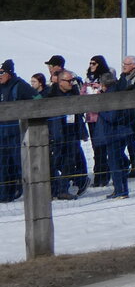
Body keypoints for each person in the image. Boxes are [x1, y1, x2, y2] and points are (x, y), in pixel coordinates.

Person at [46, 70, 89, 199]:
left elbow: (79, 114)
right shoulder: (51, 96)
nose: (72, 83)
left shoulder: (74, 93)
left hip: (72, 133)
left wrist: (82, 132)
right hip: (56, 135)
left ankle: (63, 189)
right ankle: (52, 189)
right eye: (69, 81)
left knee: (69, 162)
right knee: (54, 162)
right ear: (60, 82)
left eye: (72, 80)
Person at [92, 74, 133, 199]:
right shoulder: (119, 91)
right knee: (119, 160)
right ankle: (121, 189)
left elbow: (112, 116)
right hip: (122, 131)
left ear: (104, 85)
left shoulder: (112, 96)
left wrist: (100, 109)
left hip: (115, 133)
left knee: (114, 161)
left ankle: (120, 190)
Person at [0, 60, 34, 202]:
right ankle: (4, 194)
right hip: (1, 134)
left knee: (19, 163)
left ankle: (26, 190)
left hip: (16, 133)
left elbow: (37, 99)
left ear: (9, 73)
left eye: (2, 72)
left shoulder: (19, 86)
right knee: (3, 164)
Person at [84, 55, 115, 187]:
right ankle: (99, 174)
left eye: (94, 63)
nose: (92, 65)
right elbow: (82, 94)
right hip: (91, 116)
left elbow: (112, 92)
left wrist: (100, 89)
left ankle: (104, 173)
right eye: (90, 63)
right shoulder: (87, 79)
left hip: (103, 116)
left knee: (103, 146)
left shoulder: (106, 77)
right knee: (96, 146)